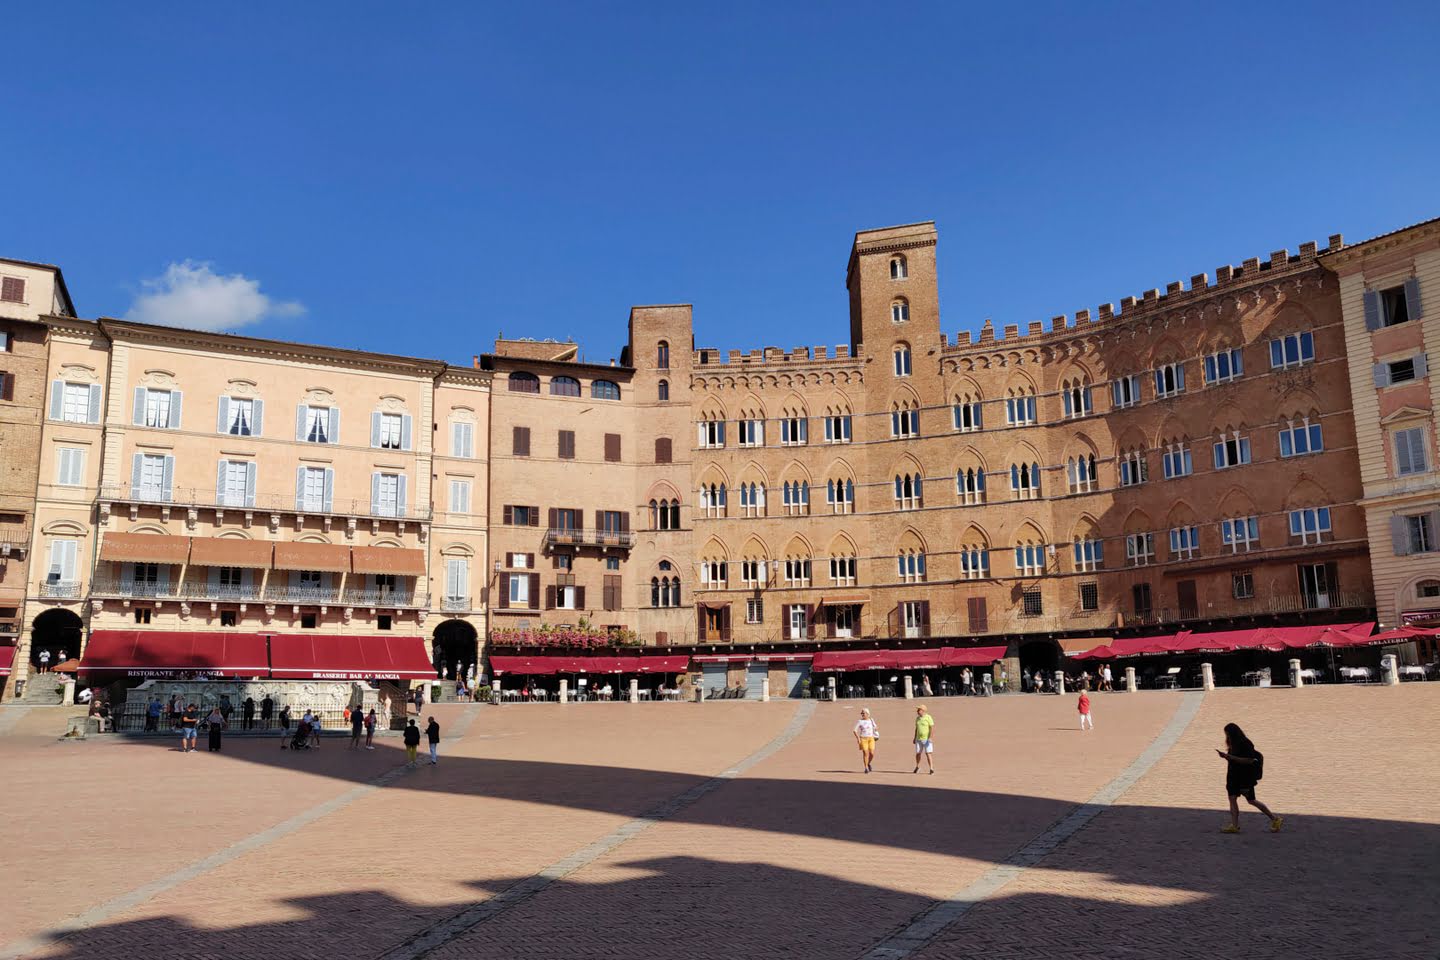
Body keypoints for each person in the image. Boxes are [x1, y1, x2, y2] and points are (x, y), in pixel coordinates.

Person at [1217, 723, 1282, 834]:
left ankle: (1275, 819)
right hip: (1233, 777)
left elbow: (1248, 760)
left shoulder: (1246, 743)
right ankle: (1234, 825)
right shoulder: (1232, 743)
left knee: (1251, 800)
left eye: (1228, 734)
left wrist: (1229, 756)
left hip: (1244, 778)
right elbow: (1234, 759)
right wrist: (1226, 757)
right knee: (1232, 799)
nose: (1226, 736)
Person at [853, 708, 878, 774]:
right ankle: (866, 768)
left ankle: (868, 763)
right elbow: (854, 730)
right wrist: (858, 739)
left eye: (863, 713)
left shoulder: (871, 720)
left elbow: (876, 727)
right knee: (866, 753)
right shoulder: (860, 721)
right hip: (863, 739)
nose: (862, 714)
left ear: (868, 714)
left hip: (871, 738)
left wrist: (875, 728)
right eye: (861, 713)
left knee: (872, 753)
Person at [912, 705, 936, 775]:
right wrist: (914, 737)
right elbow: (916, 729)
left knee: (928, 753)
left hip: (927, 739)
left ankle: (931, 768)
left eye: (918, 710)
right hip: (918, 739)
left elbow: (931, 728)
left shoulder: (928, 717)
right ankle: (917, 767)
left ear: (923, 710)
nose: (917, 711)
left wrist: (930, 737)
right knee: (918, 753)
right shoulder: (917, 718)